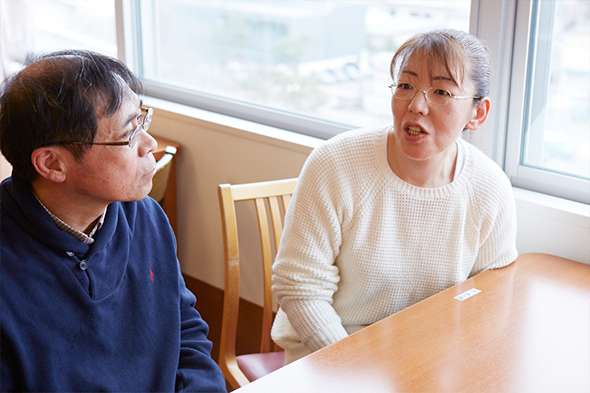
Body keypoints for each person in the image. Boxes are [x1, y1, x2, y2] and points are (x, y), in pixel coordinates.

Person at [271, 29, 518, 364]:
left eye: (441, 91)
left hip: (430, 362)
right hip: (330, 353)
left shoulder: (490, 188)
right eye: (405, 85)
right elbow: (300, 287)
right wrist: (351, 365)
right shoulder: (335, 164)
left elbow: (489, 300)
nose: (416, 105)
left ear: (477, 113)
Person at [0, 50, 227, 392]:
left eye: (142, 121)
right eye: (129, 133)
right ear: (52, 164)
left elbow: (185, 333)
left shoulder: (147, 216)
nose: (149, 144)